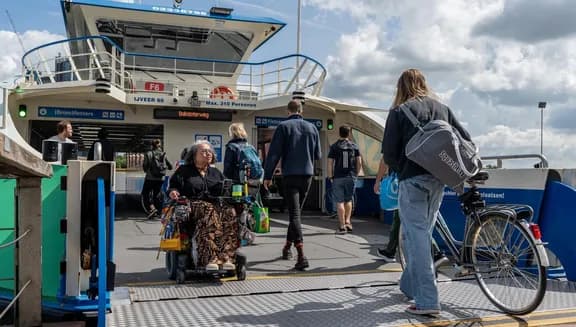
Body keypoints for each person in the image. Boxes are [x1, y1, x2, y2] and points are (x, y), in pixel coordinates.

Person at [382, 68, 472, 315]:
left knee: (418, 237)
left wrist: (401, 170)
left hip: (412, 181)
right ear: (424, 83)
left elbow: (389, 153)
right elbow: (466, 140)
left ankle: (427, 301)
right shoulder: (442, 109)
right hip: (439, 180)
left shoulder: (399, 112)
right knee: (419, 235)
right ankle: (409, 286)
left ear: (401, 87)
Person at [263, 100, 321, 271]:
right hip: (307, 176)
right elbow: (317, 154)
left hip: (290, 176)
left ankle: (301, 254)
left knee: (294, 215)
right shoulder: (313, 128)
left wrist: (268, 176)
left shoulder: (283, 127)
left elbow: (274, 154)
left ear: (287, 111)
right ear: (301, 111)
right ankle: (287, 247)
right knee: (296, 215)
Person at [168, 140, 237, 271]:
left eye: (210, 151)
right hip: (192, 205)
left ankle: (226, 257)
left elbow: (227, 189)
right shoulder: (184, 170)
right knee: (208, 209)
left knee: (229, 211)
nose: (208, 153)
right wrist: (173, 191)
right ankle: (210, 258)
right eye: (204, 151)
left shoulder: (216, 172)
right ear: (194, 155)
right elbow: (173, 186)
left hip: (215, 206)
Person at [327, 125, 361, 234]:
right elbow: (359, 162)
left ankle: (342, 226)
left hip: (338, 177)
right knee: (348, 199)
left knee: (339, 202)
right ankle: (348, 222)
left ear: (339, 133)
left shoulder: (334, 147)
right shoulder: (354, 146)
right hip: (350, 176)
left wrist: (330, 176)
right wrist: (355, 174)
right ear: (349, 133)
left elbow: (330, 163)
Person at [142, 139, 172, 219]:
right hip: (161, 178)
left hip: (150, 178)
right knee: (157, 194)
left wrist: (147, 170)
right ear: (160, 145)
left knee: (145, 193)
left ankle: (152, 208)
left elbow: (145, 165)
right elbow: (170, 166)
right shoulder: (163, 154)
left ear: (152, 145)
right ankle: (159, 212)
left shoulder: (149, 153)